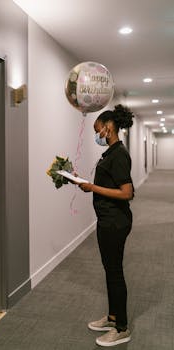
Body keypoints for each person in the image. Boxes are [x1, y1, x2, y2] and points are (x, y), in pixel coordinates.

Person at [78, 104, 134, 347]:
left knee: (114, 272)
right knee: (110, 270)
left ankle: (121, 328)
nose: (96, 134)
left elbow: (127, 193)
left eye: (97, 129)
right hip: (107, 220)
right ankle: (112, 318)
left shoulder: (119, 154)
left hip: (115, 222)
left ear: (108, 128)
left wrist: (92, 187)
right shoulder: (111, 152)